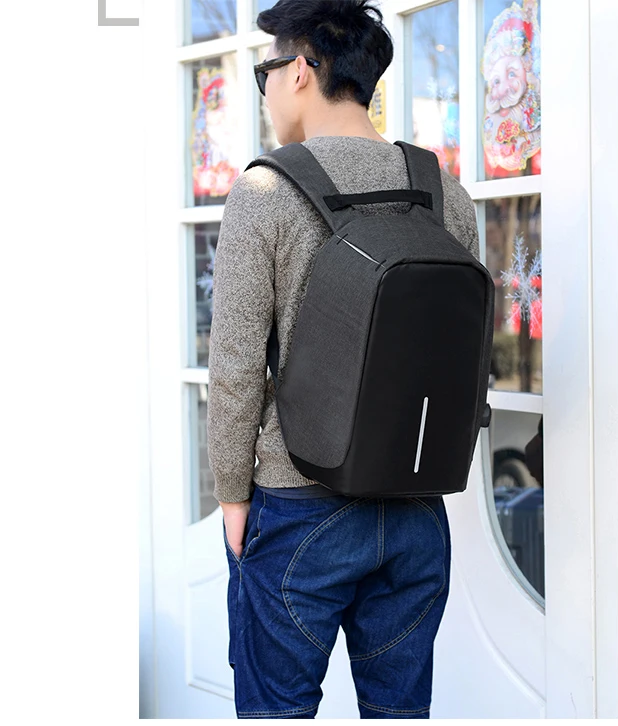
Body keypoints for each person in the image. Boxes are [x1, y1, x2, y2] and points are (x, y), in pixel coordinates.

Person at [206, 0, 482, 718]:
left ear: (301, 70)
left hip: (299, 505)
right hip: (416, 510)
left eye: (266, 73)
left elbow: (235, 369)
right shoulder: (445, 193)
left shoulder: (264, 191)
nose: (265, 90)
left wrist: (232, 497)